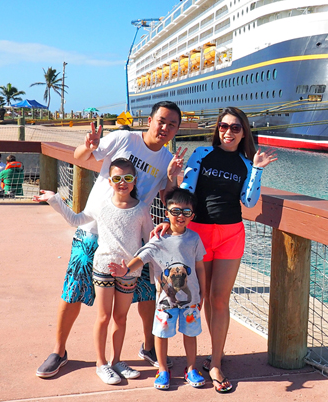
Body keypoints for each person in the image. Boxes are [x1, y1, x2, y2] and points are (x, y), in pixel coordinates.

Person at [35, 101, 186, 379]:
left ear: (177, 129)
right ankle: (59, 350)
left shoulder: (167, 160)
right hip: (92, 230)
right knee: (73, 289)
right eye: (161, 121)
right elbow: (81, 156)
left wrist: (172, 179)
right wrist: (88, 146)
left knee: (146, 293)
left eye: (172, 124)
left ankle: (148, 347)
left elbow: (168, 198)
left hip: (133, 240)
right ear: (150, 120)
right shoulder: (124, 138)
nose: (165, 128)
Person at [170, 106, 277, 392]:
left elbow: (249, 201)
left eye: (235, 127)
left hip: (231, 234)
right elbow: (186, 193)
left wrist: (257, 169)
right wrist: (173, 219)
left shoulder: (245, 163)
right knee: (197, 298)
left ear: (244, 133)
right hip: (198, 234)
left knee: (220, 299)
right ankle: (192, 362)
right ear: (217, 129)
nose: (228, 132)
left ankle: (215, 361)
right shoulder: (202, 155)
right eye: (224, 126)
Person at [35, 159, 152, 384]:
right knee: (104, 316)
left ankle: (116, 360)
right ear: (109, 181)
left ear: (135, 181)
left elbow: (149, 243)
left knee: (120, 317)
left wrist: (134, 267)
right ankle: (101, 363)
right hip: (103, 268)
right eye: (117, 178)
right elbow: (75, 219)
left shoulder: (142, 209)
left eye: (128, 178)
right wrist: (54, 199)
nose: (122, 182)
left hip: (129, 272)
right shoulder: (101, 205)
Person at [109, 188, 206, 390]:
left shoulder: (195, 239)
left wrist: (202, 293)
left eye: (186, 212)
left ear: (192, 216)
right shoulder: (158, 239)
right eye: (175, 211)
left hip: (191, 300)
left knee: (190, 334)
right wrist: (126, 269)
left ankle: (191, 368)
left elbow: (199, 268)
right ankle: (162, 370)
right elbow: (141, 258)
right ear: (167, 213)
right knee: (161, 334)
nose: (180, 216)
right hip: (165, 302)